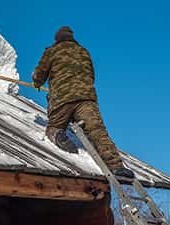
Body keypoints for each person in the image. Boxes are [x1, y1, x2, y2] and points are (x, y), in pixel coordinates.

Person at [32, 26, 134, 178]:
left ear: (57, 39)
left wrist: (37, 82)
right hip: (86, 98)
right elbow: (91, 75)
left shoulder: (52, 51)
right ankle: (116, 166)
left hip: (62, 98)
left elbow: (40, 74)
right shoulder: (84, 52)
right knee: (97, 131)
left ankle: (60, 137)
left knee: (54, 126)